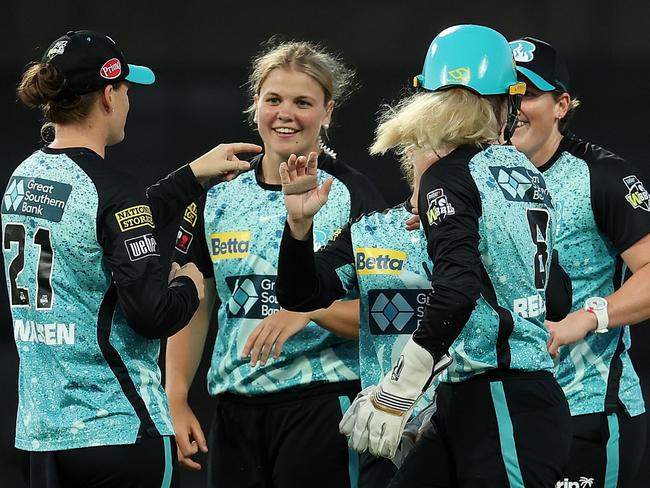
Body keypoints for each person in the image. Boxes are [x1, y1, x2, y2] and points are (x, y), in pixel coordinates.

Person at [276, 25, 572, 487]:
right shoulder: (524, 172)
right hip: (480, 398)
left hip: (496, 397)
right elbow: (556, 294)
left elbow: (458, 289)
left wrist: (397, 388)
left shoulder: (452, 177)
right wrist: (298, 226)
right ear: (506, 100)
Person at [3, 30, 261, 488]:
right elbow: (153, 315)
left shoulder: (25, 177)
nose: (128, 102)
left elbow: (100, 226)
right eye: (125, 90)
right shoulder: (113, 189)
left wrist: (188, 178)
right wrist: (189, 286)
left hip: (42, 436)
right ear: (107, 95)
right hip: (120, 428)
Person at [165, 40, 385, 488]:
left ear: (327, 112)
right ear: (255, 106)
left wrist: (309, 309)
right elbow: (196, 296)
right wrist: (175, 395)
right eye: (274, 100)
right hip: (234, 410)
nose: (286, 113)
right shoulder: (218, 194)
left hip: (324, 407)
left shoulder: (352, 196)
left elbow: (389, 318)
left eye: (303, 102)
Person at [510, 36, 650, 487]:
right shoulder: (473, 180)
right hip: (504, 412)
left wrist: (590, 317)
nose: (513, 107)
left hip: (587, 409)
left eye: (528, 94)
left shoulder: (602, 177)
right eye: (504, 95)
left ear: (562, 105)